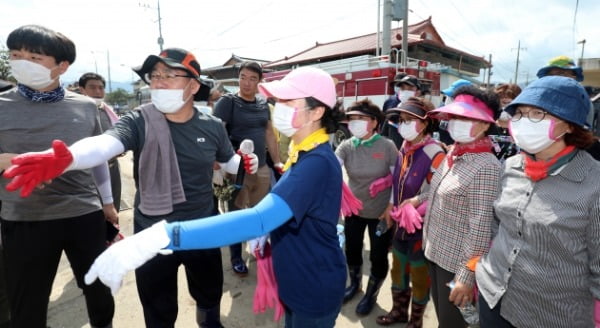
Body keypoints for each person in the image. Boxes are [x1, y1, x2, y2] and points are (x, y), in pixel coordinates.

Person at [5, 66, 347, 328]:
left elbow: (258, 217)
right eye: (277, 100)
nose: (277, 107)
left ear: (316, 112)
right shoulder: (306, 153)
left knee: (209, 293)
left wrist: (166, 233)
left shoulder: (315, 162)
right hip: (301, 280)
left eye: (288, 102)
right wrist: (72, 158)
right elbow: (107, 143)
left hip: (312, 286)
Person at [0, 24, 115, 328]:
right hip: (25, 217)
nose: (21, 61)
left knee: (99, 290)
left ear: (62, 66)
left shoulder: (88, 107)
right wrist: (8, 160)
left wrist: (107, 202)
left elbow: (98, 158)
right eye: (15, 54)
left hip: (83, 212)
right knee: (27, 304)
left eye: (34, 57)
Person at [476, 76, 600, 327]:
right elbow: (498, 224)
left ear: (569, 125)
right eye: (518, 114)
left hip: (551, 316)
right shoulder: (510, 166)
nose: (523, 122)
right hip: (493, 297)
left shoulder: (594, 184)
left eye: (537, 114)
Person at [403, 85, 502, 328]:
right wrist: (418, 199)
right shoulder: (454, 154)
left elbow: (480, 228)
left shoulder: (486, 166)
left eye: (467, 118)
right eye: (455, 116)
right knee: (441, 318)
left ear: (486, 125)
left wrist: (466, 277)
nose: (457, 123)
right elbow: (437, 188)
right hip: (434, 252)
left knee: (452, 323)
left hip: (455, 265)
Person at [375, 97, 445, 327]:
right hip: (400, 222)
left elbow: (436, 191)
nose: (403, 125)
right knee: (398, 269)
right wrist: (392, 205)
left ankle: (416, 320)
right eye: (401, 120)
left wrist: (417, 206)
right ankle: (398, 312)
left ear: (425, 124)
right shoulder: (405, 148)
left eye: (410, 120)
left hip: (421, 227)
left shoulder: (435, 152)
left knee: (419, 274)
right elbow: (398, 182)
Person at [213, 61, 282, 276]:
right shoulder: (227, 102)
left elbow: (269, 134)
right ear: (238, 78)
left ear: (259, 82)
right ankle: (236, 256)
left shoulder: (263, 104)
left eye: (252, 78)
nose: (247, 82)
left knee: (260, 213)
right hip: (236, 169)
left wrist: (277, 161)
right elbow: (216, 132)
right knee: (235, 214)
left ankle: (259, 249)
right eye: (243, 77)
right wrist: (218, 159)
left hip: (261, 167)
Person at [335, 99, 398, 315]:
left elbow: (396, 179)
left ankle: (372, 293)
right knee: (352, 249)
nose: (355, 123)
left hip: (381, 213)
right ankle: (355, 284)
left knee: (378, 255)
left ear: (373, 122)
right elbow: (333, 167)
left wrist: (390, 206)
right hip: (354, 211)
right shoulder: (347, 146)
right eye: (352, 119)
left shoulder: (387, 146)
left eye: (360, 119)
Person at [536, 55, 600, 160]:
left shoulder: (583, 100)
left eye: (570, 75)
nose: (564, 78)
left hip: (576, 151)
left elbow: (584, 132)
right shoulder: (537, 98)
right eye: (559, 74)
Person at [79, 72, 123, 212]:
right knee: (93, 211)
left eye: (101, 88)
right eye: (92, 87)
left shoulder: (106, 111)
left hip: (112, 167)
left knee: (113, 208)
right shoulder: (76, 112)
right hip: (88, 171)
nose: (98, 92)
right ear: (82, 90)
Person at [489, 83, 522, 162]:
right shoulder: (486, 127)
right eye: (500, 103)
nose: (503, 108)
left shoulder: (522, 130)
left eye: (508, 103)